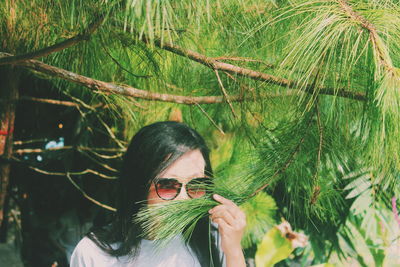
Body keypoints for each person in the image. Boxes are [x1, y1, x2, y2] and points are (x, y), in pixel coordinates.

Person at [70, 121, 246, 267]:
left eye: (196, 185)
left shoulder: (214, 240)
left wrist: (234, 251)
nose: (184, 199)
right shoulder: (93, 253)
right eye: (168, 185)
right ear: (138, 185)